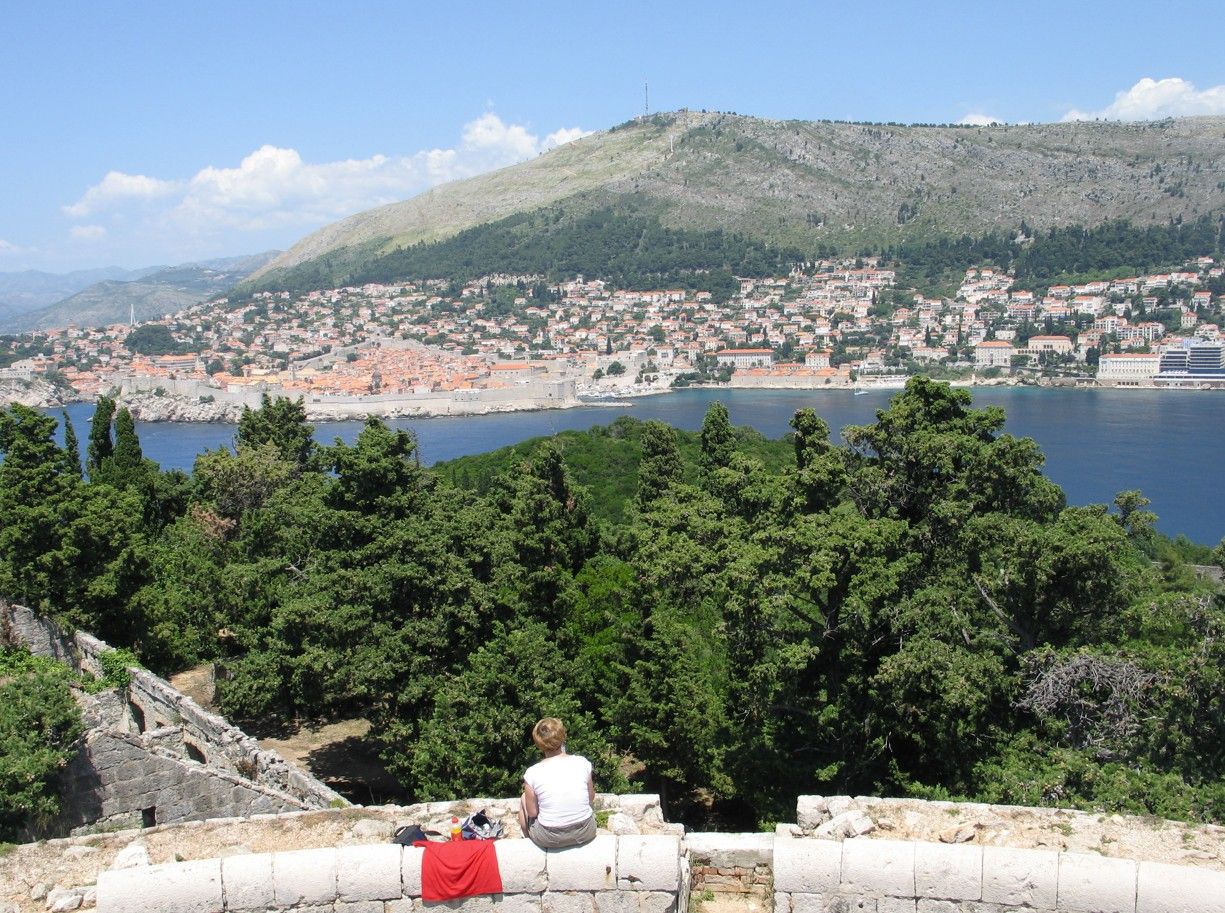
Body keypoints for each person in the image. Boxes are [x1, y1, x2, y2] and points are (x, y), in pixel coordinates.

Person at [518, 717, 597, 848]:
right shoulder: (582, 762)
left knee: (523, 798)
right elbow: (591, 797)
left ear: (538, 742)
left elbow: (532, 813)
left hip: (548, 837)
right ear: (562, 737)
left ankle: (528, 841)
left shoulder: (532, 772)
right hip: (585, 832)